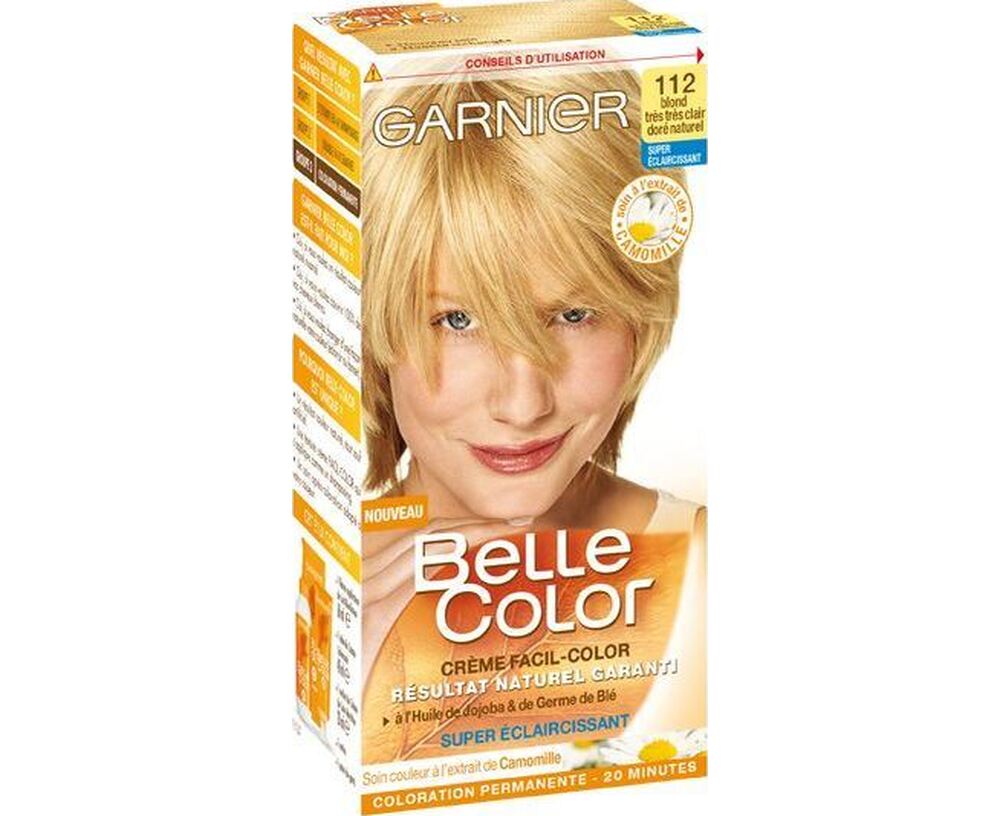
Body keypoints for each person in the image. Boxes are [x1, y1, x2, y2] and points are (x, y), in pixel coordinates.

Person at [358, 68, 705, 689]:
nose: (523, 406)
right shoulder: (317, 583)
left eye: (574, 315)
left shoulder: (707, 572)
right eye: (457, 320)